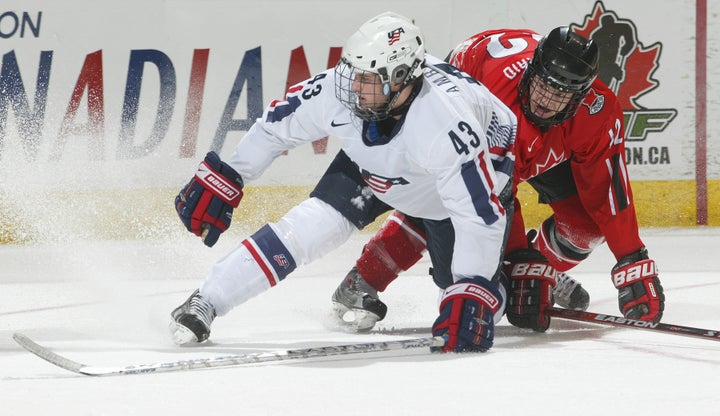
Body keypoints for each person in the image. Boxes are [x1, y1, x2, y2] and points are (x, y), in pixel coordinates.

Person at [170, 12, 518, 353]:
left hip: (454, 187)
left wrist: (474, 289)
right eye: (353, 73)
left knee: (472, 302)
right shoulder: (344, 92)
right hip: (378, 164)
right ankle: (207, 299)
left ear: (400, 79)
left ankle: (487, 269)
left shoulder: (446, 126)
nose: (353, 87)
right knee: (310, 227)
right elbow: (275, 126)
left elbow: (480, 215)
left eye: (367, 79)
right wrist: (230, 174)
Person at [330, 27, 665, 334]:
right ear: (531, 72)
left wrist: (631, 257)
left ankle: (542, 271)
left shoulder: (597, 113)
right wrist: (519, 257)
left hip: (536, 138)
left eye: (561, 94)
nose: (546, 100)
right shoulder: (492, 98)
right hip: (472, 104)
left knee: (585, 228)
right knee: (440, 201)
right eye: (543, 85)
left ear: (580, 97)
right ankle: (364, 278)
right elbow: (493, 190)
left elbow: (607, 187)